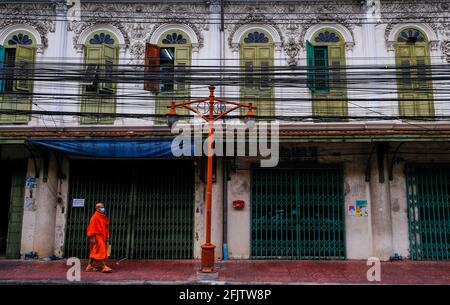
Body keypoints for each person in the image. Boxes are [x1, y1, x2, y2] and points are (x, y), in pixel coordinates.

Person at [86, 202, 112, 273]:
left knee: (94, 251)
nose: (103, 209)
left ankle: (89, 266)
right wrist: (92, 237)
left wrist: (107, 236)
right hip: (97, 237)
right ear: (97, 208)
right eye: (101, 207)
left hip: (102, 236)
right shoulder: (95, 217)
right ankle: (104, 266)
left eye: (103, 207)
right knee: (101, 250)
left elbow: (105, 227)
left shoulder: (101, 216)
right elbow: (91, 227)